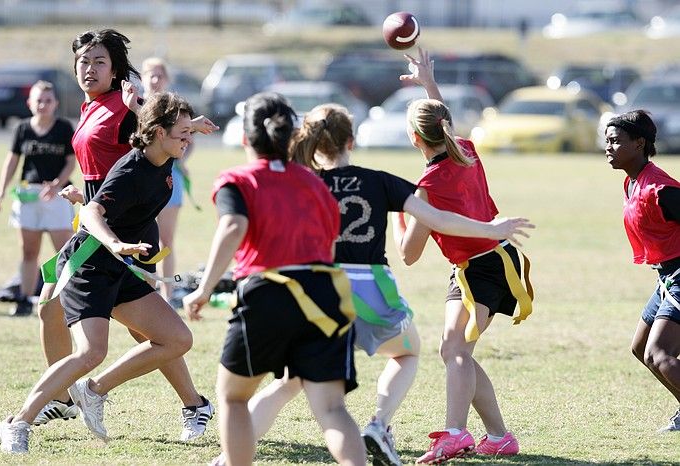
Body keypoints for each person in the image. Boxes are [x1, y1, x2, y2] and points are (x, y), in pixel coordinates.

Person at [207, 102, 534, 466]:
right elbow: (440, 219)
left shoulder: (304, 181)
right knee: (407, 352)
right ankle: (379, 423)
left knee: (290, 382)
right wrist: (491, 229)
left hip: (320, 290)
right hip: (371, 285)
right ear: (352, 139)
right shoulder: (379, 180)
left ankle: (229, 456)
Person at [0, 92, 202, 454]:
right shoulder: (131, 171)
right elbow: (91, 213)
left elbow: (151, 118)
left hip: (122, 269)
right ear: (157, 134)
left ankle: (92, 392)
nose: (188, 140)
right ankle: (16, 424)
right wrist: (116, 243)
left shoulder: (164, 155)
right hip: (90, 265)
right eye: (182, 134)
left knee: (178, 339)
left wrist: (188, 124)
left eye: (189, 133)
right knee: (91, 352)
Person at [32, 28, 215, 441]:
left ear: (115, 70)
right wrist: (84, 193)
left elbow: (154, 123)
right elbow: (106, 166)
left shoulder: (119, 103)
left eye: (99, 61)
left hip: (123, 233)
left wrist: (188, 123)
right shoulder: (90, 105)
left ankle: (194, 405)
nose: (89, 68)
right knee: (51, 306)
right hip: (97, 223)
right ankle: (62, 397)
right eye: (83, 61)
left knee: (143, 331)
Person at [182, 92, 366, 466]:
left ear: (246, 139)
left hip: (269, 292)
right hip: (323, 295)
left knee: (233, 397)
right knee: (331, 410)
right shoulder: (316, 184)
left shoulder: (237, 179)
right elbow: (327, 244)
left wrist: (203, 289)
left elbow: (234, 226)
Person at [392, 48, 534, 462]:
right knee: (457, 352)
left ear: (414, 139)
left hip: (481, 269)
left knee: (454, 351)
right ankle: (499, 436)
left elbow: (409, 254)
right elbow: (444, 124)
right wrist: (428, 85)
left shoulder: (428, 185)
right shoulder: (465, 148)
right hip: (492, 262)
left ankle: (455, 433)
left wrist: (400, 214)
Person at [605, 110, 680, 433]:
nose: (608, 147)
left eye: (616, 141)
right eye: (606, 140)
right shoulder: (632, 181)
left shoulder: (661, 189)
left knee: (660, 354)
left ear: (639, 143)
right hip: (666, 276)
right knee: (642, 350)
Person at [0, 80, 75, 316]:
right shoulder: (23, 128)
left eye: (48, 100)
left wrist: (57, 184)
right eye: (38, 100)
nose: (43, 105)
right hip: (29, 196)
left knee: (64, 252)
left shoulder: (63, 128)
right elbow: (12, 161)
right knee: (29, 253)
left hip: (57, 196)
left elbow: (71, 161)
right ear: (30, 103)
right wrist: (1, 191)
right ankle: (25, 299)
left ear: (55, 104)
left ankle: (68, 299)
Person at [141, 57, 193, 305]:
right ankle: (144, 293)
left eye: (159, 74)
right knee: (141, 239)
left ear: (167, 79)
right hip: (141, 183)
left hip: (171, 179)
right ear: (141, 78)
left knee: (166, 240)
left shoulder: (177, 109)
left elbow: (189, 138)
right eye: (150, 74)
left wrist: (179, 157)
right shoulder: (135, 106)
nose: (155, 79)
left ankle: (168, 296)